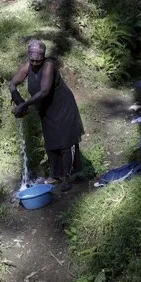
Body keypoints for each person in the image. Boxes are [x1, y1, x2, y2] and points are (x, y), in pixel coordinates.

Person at [9, 39, 84, 191]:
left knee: (65, 142)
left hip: (63, 106)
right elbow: (12, 84)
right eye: (32, 60)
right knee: (50, 141)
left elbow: (44, 91)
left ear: (43, 57)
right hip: (46, 109)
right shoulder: (27, 66)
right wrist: (18, 101)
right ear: (29, 57)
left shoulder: (48, 65)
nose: (35, 63)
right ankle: (55, 175)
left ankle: (66, 178)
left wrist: (24, 105)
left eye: (38, 60)